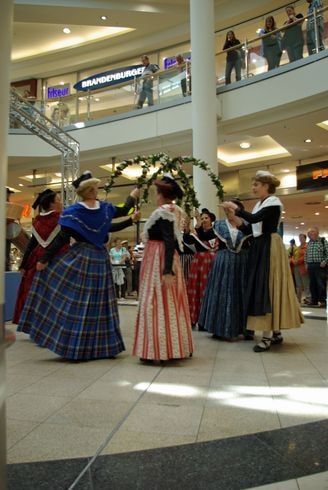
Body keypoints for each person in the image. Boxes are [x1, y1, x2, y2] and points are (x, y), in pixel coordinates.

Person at [17, 171, 139, 361]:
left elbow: (63, 237)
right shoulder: (84, 211)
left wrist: (132, 198)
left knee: (89, 303)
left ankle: (88, 346)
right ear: (89, 190)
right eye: (95, 187)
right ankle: (90, 347)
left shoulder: (91, 210)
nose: (97, 190)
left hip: (88, 259)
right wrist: (44, 259)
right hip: (94, 259)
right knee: (90, 303)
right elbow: (61, 238)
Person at [220, 170, 303, 352]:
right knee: (266, 286)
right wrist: (234, 218)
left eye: (256, 185)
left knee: (268, 286)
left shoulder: (273, 203)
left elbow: (255, 219)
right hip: (260, 246)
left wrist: (236, 209)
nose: (253, 188)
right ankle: (275, 332)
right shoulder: (260, 204)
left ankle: (268, 336)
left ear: (266, 186)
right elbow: (250, 227)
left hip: (269, 246)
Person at [132, 175, 193, 361]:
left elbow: (168, 239)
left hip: (158, 259)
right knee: (172, 302)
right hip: (164, 257)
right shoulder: (176, 210)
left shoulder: (164, 211)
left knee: (155, 301)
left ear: (162, 194)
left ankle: (156, 350)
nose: (155, 196)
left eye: (156, 193)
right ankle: (176, 346)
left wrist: (167, 269)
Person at [199, 200, 252, 341]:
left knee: (241, 293)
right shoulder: (219, 225)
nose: (228, 213)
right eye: (227, 210)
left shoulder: (247, 226)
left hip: (242, 263)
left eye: (231, 210)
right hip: (223, 263)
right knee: (221, 292)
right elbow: (203, 236)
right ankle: (219, 327)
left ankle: (244, 328)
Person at [12, 189, 67, 324]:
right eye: (59, 201)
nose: (61, 203)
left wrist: (23, 265)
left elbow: (31, 246)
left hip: (36, 259)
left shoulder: (37, 221)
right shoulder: (62, 219)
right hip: (59, 258)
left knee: (35, 292)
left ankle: (35, 322)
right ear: (52, 204)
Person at [184, 208, 219, 330]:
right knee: (195, 290)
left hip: (209, 263)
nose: (204, 220)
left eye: (206, 218)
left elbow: (205, 235)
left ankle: (205, 320)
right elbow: (187, 240)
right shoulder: (198, 232)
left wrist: (197, 221)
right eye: (202, 218)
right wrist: (187, 229)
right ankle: (193, 318)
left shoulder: (215, 231)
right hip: (197, 262)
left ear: (211, 220)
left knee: (206, 290)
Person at [305, 226, 327, 307]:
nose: (310, 233)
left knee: (320, 284)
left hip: (320, 266)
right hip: (310, 266)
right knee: (312, 284)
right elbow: (306, 254)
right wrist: (306, 263)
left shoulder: (323, 241)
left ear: (317, 232)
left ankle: (322, 301)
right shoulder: (309, 243)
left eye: (312, 231)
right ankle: (314, 300)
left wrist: (324, 261)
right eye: (309, 232)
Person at [293, 233, 311, 304]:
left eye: (302, 238)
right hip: (296, 267)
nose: (300, 239)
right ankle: (298, 299)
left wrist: (298, 261)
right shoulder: (298, 247)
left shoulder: (307, 246)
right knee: (298, 284)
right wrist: (293, 260)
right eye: (299, 238)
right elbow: (293, 256)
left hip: (303, 267)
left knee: (306, 283)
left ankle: (308, 298)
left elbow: (306, 256)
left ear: (305, 238)